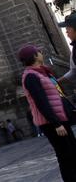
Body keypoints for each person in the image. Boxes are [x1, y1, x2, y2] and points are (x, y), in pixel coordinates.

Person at [20, 44, 76, 182]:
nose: (41, 53)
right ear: (34, 56)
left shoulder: (43, 72)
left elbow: (57, 95)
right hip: (52, 123)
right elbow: (41, 102)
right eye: (38, 52)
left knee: (72, 152)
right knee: (65, 156)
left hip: (60, 118)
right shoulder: (30, 76)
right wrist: (56, 123)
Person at [57, 12, 76, 85]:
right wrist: (56, 82)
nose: (66, 31)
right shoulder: (74, 49)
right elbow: (74, 71)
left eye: (68, 28)